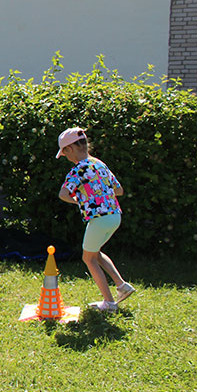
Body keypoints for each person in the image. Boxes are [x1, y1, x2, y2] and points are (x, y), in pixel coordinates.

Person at [56, 128, 135, 311]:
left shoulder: (78, 169)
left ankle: (109, 302)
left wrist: (78, 200)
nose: (66, 157)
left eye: (65, 153)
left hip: (99, 219)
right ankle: (122, 286)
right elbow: (119, 190)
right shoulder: (100, 164)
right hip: (115, 216)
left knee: (88, 258)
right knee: (95, 252)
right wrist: (100, 193)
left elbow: (63, 194)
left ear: (69, 149)